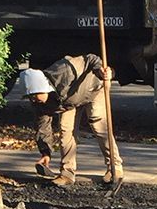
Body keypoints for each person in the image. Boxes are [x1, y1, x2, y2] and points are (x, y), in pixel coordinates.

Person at [9, 55, 123, 188]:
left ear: (42, 87)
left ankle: (115, 167)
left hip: (92, 88)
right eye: (29, 97)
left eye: (34, 95)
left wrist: (100, 71)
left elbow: (91, 59)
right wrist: (46, 153)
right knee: (66, 130)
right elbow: (43, 127)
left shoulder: (64, 70)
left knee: (98, 125)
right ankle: (67, 173)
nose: (33, 100)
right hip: (70, 102)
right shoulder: (40, 104)